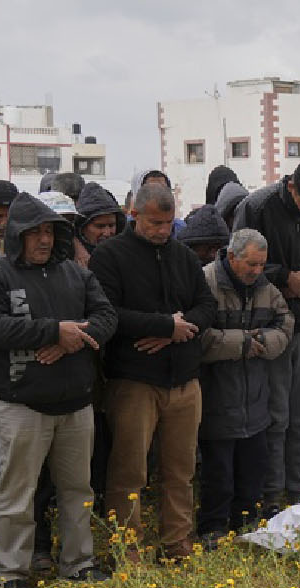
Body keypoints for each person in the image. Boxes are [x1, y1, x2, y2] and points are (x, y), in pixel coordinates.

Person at [0, 193, 117, 588]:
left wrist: (73, 339)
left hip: (75, 402)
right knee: (16, 492)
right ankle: (9, 572)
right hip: (20, 403)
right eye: (34, 233)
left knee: (77, 491)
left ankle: (78, 563)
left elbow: (107, 317)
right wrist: (53, 331)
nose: (43, 240)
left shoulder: (76, 273)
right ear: (16, 235)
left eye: (49, 231)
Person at [92, 183, 216, 565]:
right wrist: (165, 326)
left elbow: (206, 306)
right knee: (130, 471)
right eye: (154, 223)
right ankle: (125, 549)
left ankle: (177, 542)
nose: (163, 230)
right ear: (133, 216)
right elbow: (107, 313)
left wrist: (176, 332)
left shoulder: (182, 256)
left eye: (167, 223)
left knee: (180, 470)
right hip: (134, 381)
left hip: (183, 378)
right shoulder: (109, 256)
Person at [233, 160, 300, 503]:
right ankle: (272, 495)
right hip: (268, 323)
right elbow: (238, 262)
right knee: (276, 417)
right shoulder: (255, 207)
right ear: (291, 185)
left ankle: (298, 491)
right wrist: (285, 277)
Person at [197, 228, 292, 541]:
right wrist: (241, 344)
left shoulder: (265, 287)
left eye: (262, 265)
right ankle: (213, 527)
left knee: (252, 470)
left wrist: (264, 341)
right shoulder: (206, 282)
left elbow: (286, 324)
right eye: (251, 264)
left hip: (255, 400)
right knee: (218, 473)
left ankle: (247, 524)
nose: (257, 271)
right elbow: (197, 335)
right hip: (217, 399)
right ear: (231, 256)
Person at [74, 182, 123, 270]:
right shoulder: (70, 262)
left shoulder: (124, 254)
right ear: (83, 227)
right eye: (100, 226)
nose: (107, 233)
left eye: (111, 225)